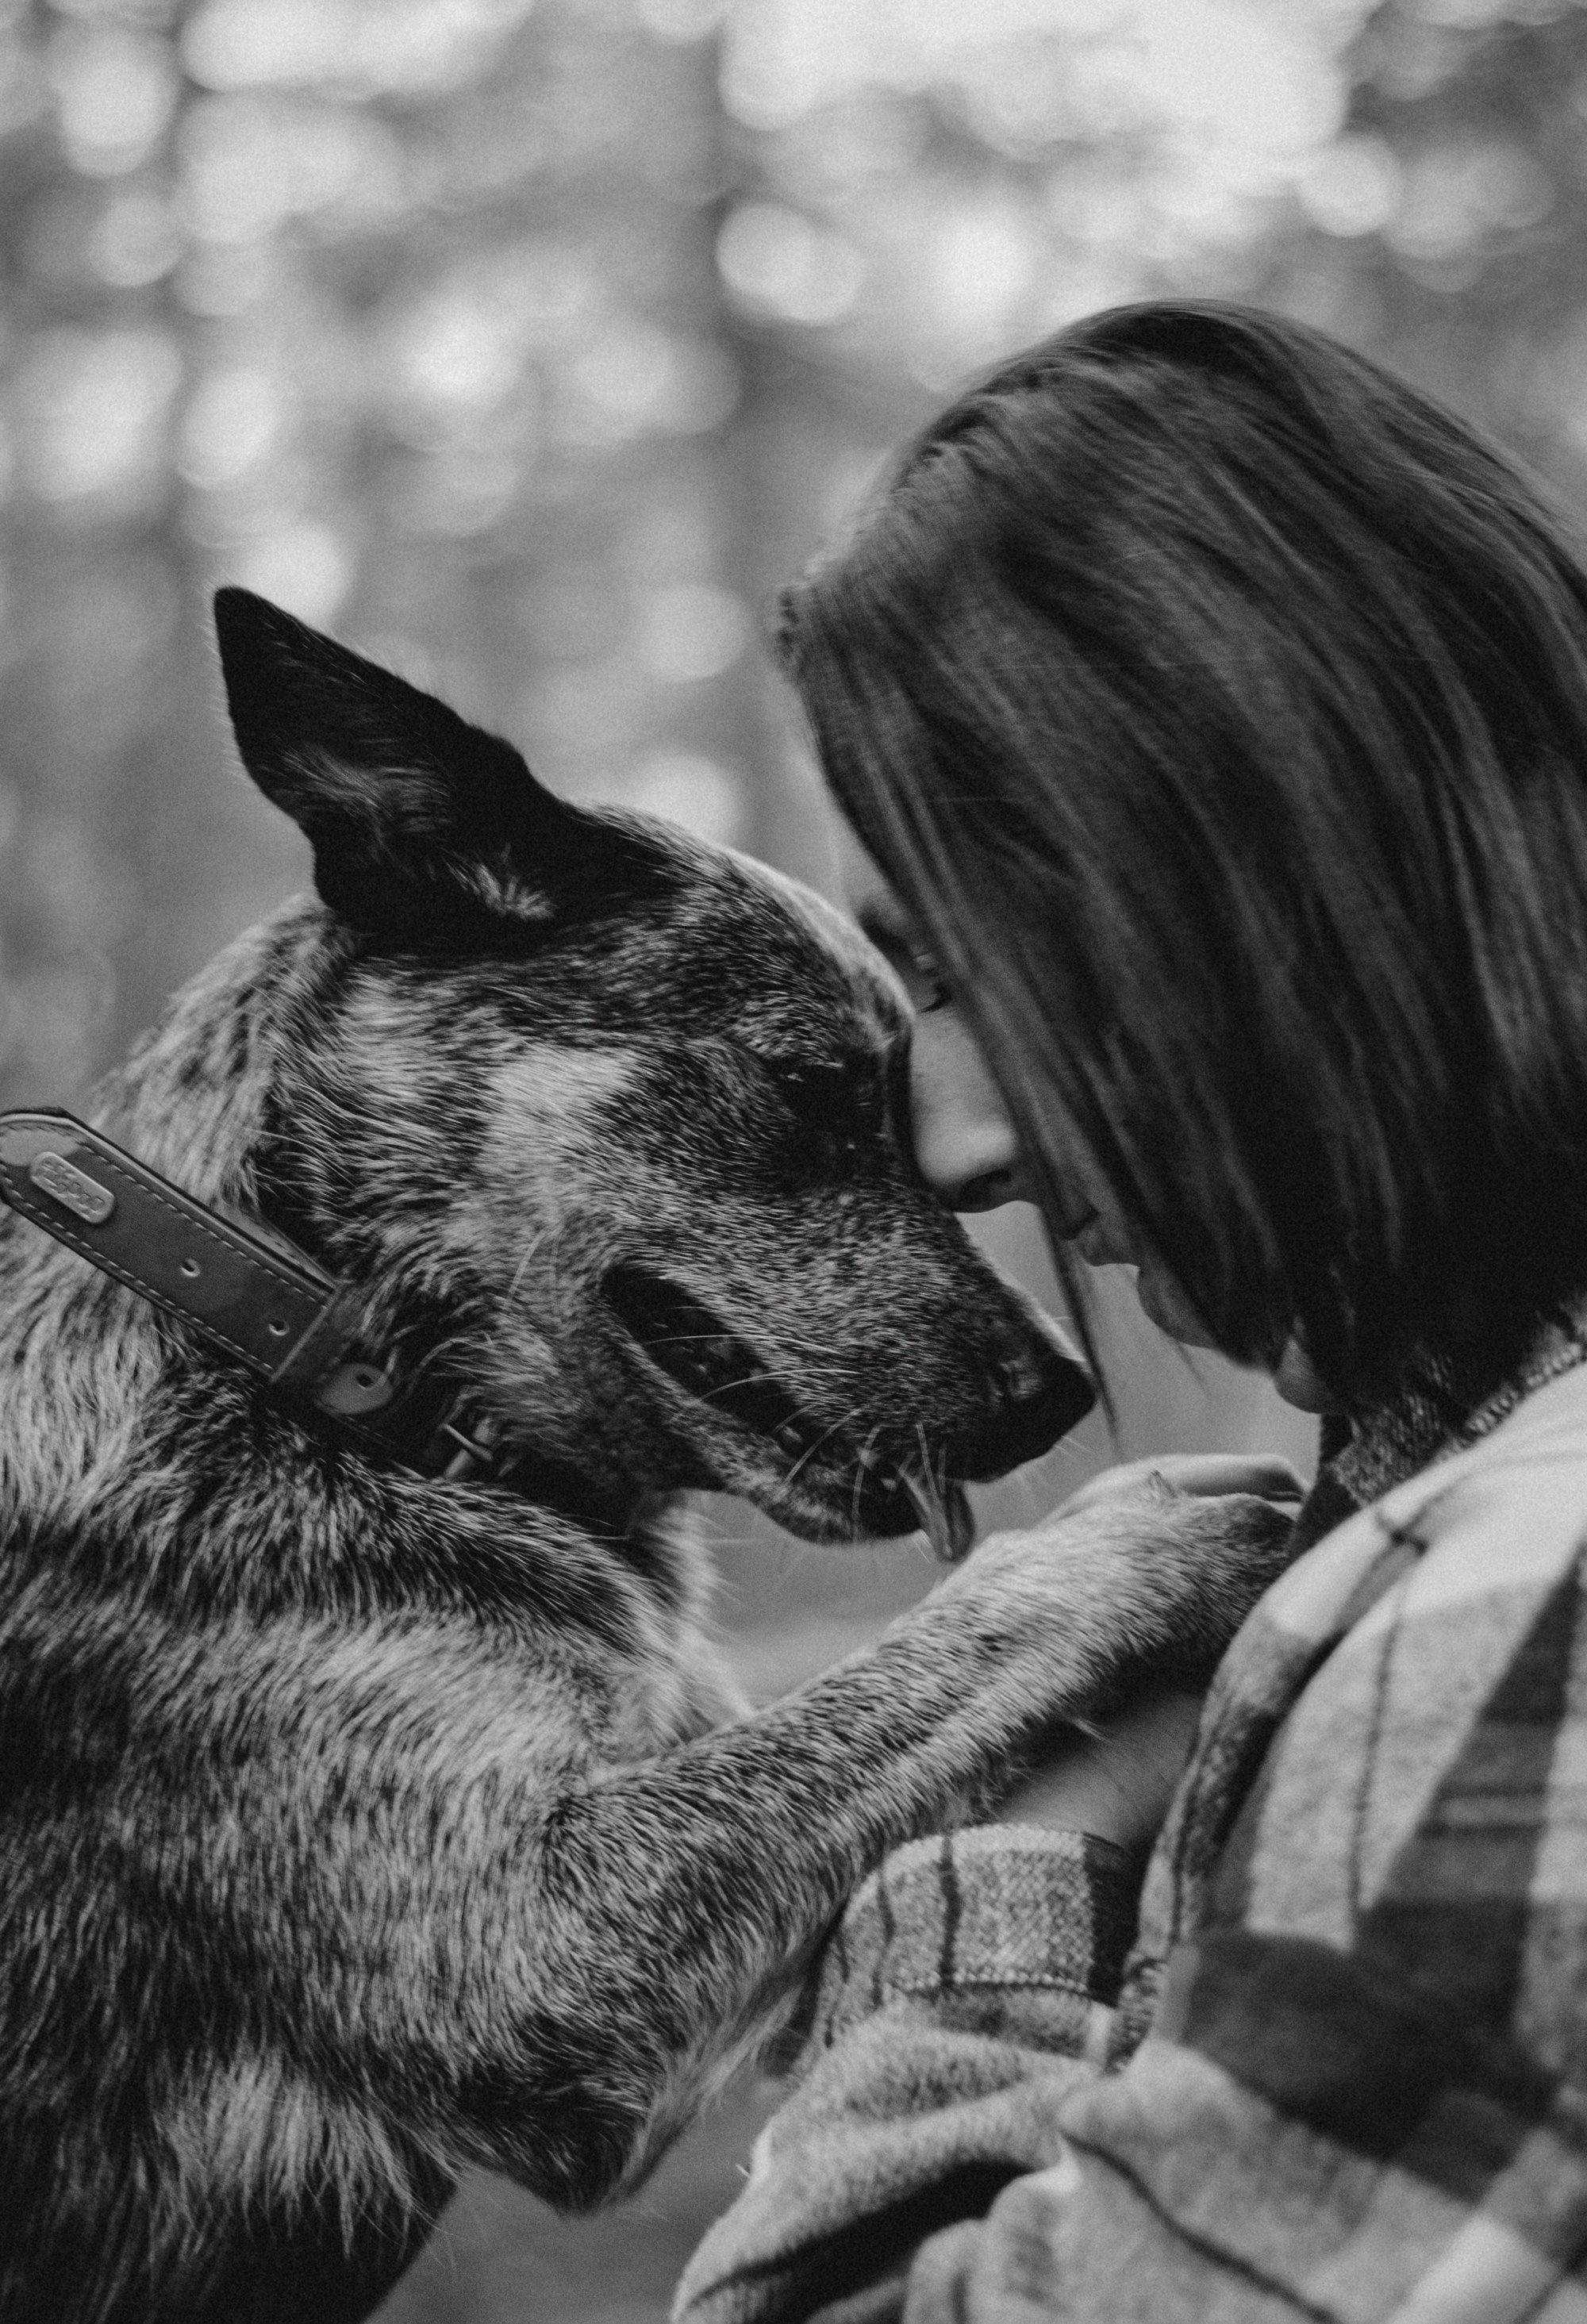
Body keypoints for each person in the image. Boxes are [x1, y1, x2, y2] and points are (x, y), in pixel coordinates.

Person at [672, 302, 1587, 2323]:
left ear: (1259, 877)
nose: (952, 1143)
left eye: (969, 966)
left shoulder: (1522, 1592)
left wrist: (1015, 1862)